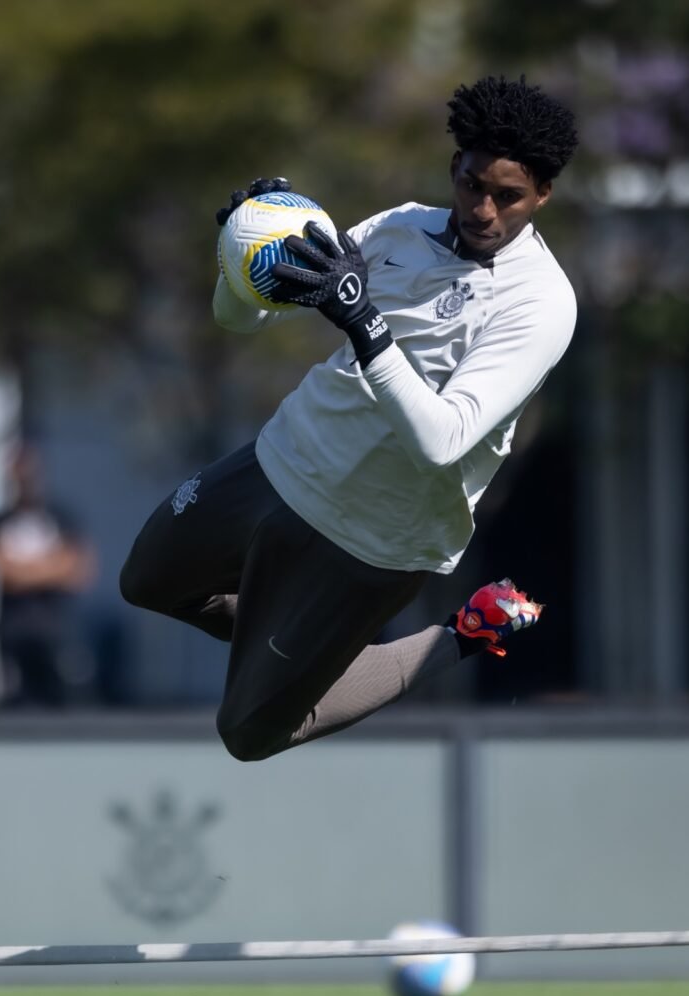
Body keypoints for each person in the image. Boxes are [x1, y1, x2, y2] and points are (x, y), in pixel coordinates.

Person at [121, 75, 577, 759]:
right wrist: (247, 255)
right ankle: (301, 653)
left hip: (374, 537)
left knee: (249, 732)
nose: (484, 209)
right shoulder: (400, 227)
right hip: (281, 464)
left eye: (507, 196)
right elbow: (240, 320)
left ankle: (469, 631)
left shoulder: (541, 302)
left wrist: (364, 322)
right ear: (455, 167)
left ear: (542, 195)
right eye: (472, 184)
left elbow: (444, 440)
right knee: (147, 580)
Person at [0, 443, 98, 707]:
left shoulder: (61, 518)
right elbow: (2, 570)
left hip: (55, 629)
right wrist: (50, 566)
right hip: (14, 630)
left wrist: (26, 570)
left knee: (62, 700)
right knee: (16, 703)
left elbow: (80, 570)